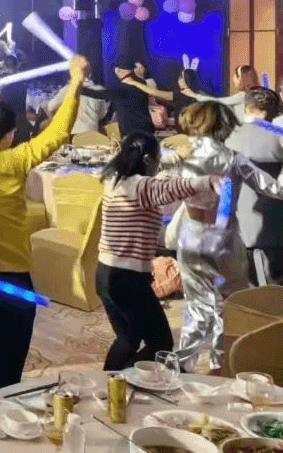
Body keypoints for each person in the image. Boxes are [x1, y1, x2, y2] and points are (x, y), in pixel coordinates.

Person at [0, 55, 88, 403]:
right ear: (9, 136)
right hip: (14, 282)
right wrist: (75, 83)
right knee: (8, 368)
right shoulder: (16, 160)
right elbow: (58, 132)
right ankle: (2, 425)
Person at [170, 101, 283, 371]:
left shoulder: (182, 157)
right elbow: (274, 189)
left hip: (192, 237)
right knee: (228, 307)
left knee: (196, 306)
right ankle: (221, 367)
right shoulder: (233, 158)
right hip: (224, 240)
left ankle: (184, 368)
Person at [96, 132, 218, 371]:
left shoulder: (114, 178)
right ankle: (122, 379)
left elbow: (154, 171)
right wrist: (209, 181)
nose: (157, 165)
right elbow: (173, 188)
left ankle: (111, 383)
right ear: (147, 161)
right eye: (156, 159)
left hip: (104, 274)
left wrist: (177, 157)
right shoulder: (141, 187)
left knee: (128, 338)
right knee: (160, 342)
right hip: (127, 278)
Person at [225, 87, 283, 284]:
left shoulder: (229, 138)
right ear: (274, 112)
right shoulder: (278, 138)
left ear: (245, 108)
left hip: (240, 230)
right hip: (276, 229)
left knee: (249, 293)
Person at [46, 60, 109, 135]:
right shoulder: (99, 90)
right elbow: (102, 115)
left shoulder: (67, 89)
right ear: (90, 75)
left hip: (71, 134)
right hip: (92, 134)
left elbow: (50, 107)